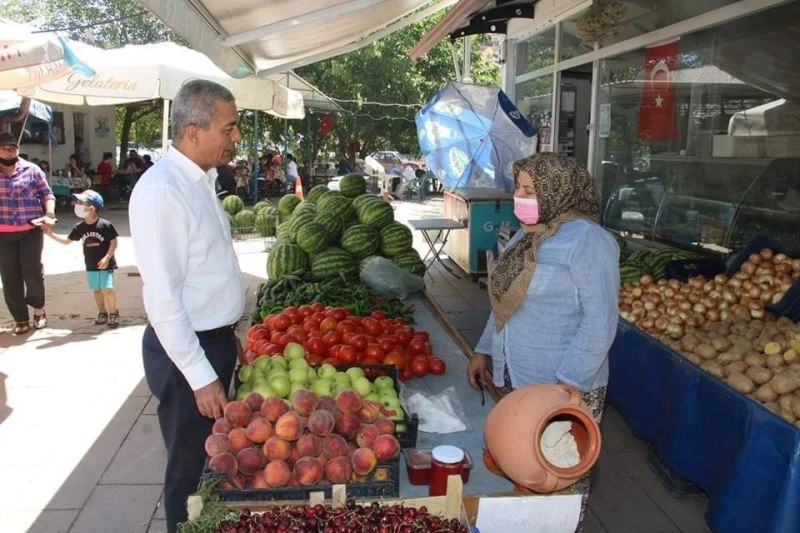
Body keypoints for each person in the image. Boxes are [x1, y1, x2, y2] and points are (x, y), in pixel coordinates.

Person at [467, 153, 619, 533]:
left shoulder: (590, 242)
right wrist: (483, 349)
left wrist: (565, 386)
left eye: (528, 190)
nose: (518, 197)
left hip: (564, 386)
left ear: (557, 191)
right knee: (519, 465)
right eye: (518, 188)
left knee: (557, 480)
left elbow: (600, 321)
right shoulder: (528, 234)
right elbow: (504, 301)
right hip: (517, 377)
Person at [129, 79, 245, 533]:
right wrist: (201, 376)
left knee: (207, 463)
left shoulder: (200, 180)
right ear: (194, 131)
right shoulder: (163, 191)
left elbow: (205, 272)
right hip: (186, 354)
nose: (237, 137)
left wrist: (227, 333)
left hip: (210, 341)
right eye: (229, 128)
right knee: (189, 472)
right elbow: (163, 298)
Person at [0, 131, 56, 335]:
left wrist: (49, 214)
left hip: (30, 230)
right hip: (3, 234)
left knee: (32, 272)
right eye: (4, 148)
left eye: (13, 148)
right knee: (10, 277)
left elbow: (47, 194)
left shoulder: (32, 170)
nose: (9, 151)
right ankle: (20, 318)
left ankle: (39, 310)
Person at [42, 190, 119, 328]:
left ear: (92, 208)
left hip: (106, 264)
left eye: (81, 203)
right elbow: (67, 241)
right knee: (97, 290)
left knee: (107, 288)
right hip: (91, 264)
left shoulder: (105, 225)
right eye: (77, 202)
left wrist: (107, 258)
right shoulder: (79, 227)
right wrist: (50, 234)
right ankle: (102, 312)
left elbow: (114, 243)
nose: (77, 205)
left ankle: (113, 313)